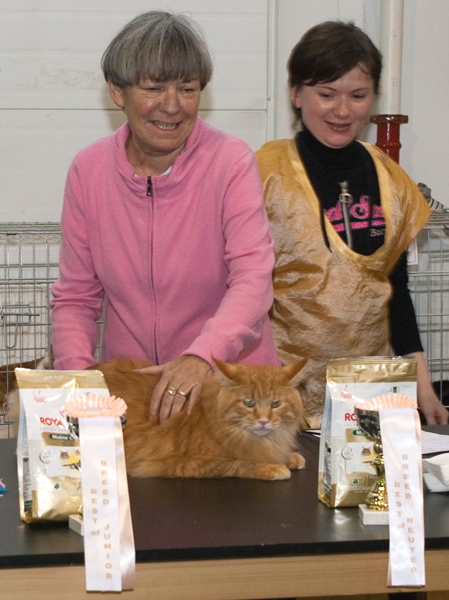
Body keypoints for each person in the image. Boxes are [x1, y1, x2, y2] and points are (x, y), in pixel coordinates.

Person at [51, 11, 280, 423]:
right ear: (117, 92)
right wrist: (79, 381)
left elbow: (253, 278)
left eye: (187, 88)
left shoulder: (230, 162)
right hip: (135, 394)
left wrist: (201, 356)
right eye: (154, 88)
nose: (172, 106)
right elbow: (75, 297)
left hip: (232, 393)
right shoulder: (88, 171)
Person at [256, 21, 449, 429]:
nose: (342, 111)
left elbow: (397, 294)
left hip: (368, 401)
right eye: (326, 95)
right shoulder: (263, 173)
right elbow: (240, 290)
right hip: (279, 400)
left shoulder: (392, 179)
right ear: (296, 94)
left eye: (357, 96)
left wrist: (423, 383)